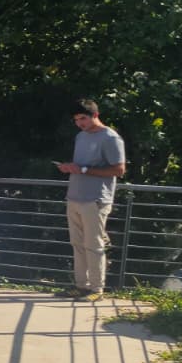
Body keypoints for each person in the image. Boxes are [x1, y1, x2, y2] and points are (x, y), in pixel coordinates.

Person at [57, 99, 127, 301]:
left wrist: (84, 170)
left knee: (93, 245)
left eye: (83, 118)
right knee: (77, 244)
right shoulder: (80, 136)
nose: (80, 123)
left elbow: (119, 170)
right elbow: (81, 165)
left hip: (95, 199)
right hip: (75, 196)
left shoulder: (111, 138)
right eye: (76, 120)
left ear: (95, 115)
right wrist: (70, 167)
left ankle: (97, 289)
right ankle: (81, 286)